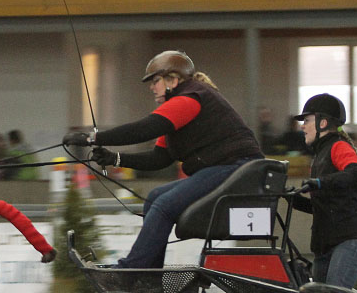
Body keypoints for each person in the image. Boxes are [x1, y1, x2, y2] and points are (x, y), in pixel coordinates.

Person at [64, 50, 263, 268]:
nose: (152, 87)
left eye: (155, 81)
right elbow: (160, 158)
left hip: (238, 168)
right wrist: (115, 158)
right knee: (155, 197)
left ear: (173, 80)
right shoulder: (179, 108)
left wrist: (92, 138)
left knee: (165, 204)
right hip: (227, 168)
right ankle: (150, 274)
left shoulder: (190, 97)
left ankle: (134, 270)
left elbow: (144, 128)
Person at [292, 94, 357, 289]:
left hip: (346, 241)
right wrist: (293, 199)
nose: (303, 126)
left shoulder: (338, 147)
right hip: (324, 245)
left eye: (307, 120)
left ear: (323, 123)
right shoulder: (319, 156)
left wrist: (319, 182)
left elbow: (356, 173)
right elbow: (324, 206)